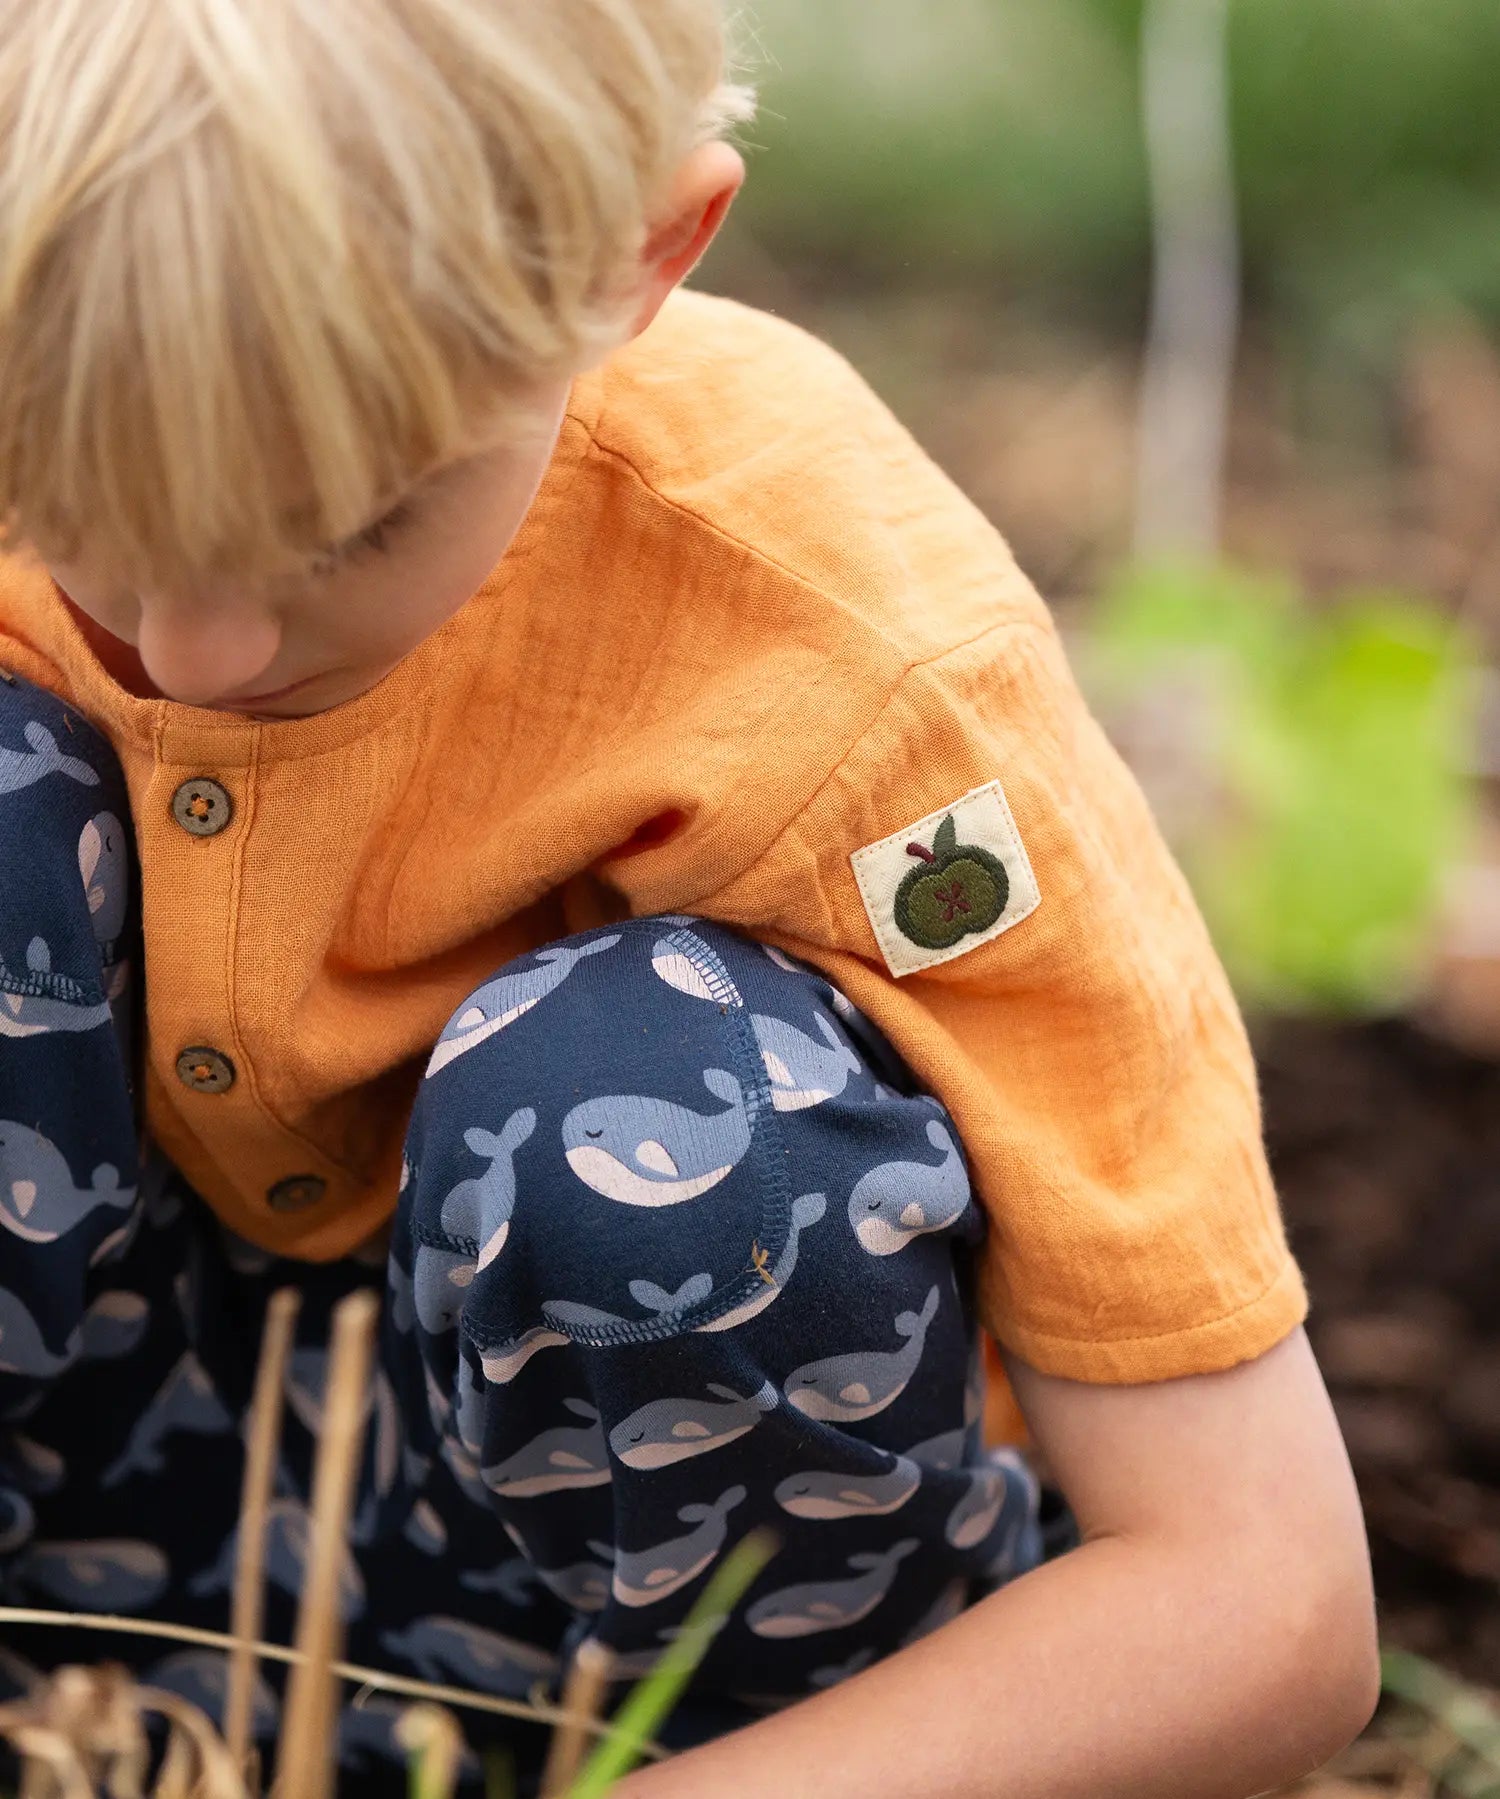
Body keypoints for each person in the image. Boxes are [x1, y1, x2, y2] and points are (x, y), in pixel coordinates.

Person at [0, 1, 1378, 1793]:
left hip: (612, 1637)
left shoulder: (840, 647)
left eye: (347, 526)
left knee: (637, 1111)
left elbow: (1268, 1600)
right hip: (103, 1535)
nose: (198, 645)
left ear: (638, 257)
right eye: (74, 488)